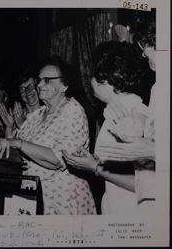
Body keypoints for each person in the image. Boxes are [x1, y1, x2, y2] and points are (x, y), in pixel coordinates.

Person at [0, 59, 96, 215]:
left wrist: (19, 143)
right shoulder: (38, 114)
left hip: (64, 202)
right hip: (34, 197)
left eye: (47, 80)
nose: (39, 85)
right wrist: (9, 133)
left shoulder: (72, 111)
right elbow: (16, 152)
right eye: (39, 80)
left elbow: (57, 160)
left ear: (64, 85)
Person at [62, 41, 150, 214]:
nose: (91, 80)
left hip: (131, 212)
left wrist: (95, 167)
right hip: (114, 206)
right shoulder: (113, 112)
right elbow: (120, 162)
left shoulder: (136, 111)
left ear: (107, 79)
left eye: (94, 73)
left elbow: (143, 183)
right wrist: (91, 159)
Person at [96, 11, 156, 213]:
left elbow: (144, 158)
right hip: (114, 201)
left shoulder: (134, 105)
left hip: (132, 205)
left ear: (104, 80)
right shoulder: (113, 110)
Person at [0, 71, 41, 138]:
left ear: (38, 87)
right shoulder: (18, 115)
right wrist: (9, 126)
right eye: (22, 89)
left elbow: (40, 143)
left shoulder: (47, 113)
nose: (27, 91)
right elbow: (11, 145)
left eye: (31, 86)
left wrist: (23, 125)